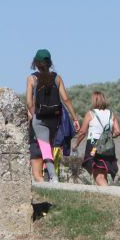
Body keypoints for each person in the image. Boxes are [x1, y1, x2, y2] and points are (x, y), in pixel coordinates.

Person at [25, 49, 79, 183]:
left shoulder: (32, 78)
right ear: (50, 63)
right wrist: (75, 118)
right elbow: (65, 99)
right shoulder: (57, 78)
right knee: (49, 145)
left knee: (44, 147)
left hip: (40, 117)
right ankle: (50, 176)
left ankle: (53, 176)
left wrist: (34, 114)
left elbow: (28, 101)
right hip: (55, 118)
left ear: (36, 63)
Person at [74, 91, 120, 186]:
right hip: (108, 146)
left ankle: (109, 193)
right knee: (103, 172)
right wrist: (108, 137)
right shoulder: (111, 114)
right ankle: (106, 194)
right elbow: (117, 131)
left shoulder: (90, 114)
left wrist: (76, 144)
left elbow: (82, 132)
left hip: (94, 145)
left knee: (97, 174)